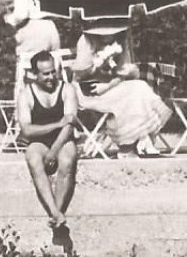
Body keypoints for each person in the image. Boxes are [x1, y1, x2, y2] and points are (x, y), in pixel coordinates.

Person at [70, 25, 171, 157]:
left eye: (111, 33)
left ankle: (136, 141)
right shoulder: (86, 41)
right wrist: (96, 66)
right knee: (132, 94)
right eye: (104, 33)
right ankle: (132, 144)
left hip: (110, 86)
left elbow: (122, 74)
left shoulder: (120, 41)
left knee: (139, 87)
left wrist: (108, 84)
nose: (107, 36)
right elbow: (80, 74)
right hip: (88, 91)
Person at [15, 50, 78, 241]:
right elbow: (26, 130)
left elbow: (69, 125)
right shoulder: (26, 94)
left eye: (53, 72)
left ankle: (56, 215)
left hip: (62, 140)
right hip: (40, 142)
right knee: (33, 158)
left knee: (67, 160)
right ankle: (55, 212)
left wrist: (54, 150)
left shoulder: (67, 89)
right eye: (46, 74)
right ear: (35, 74)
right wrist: (56, 124)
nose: (51, 77)